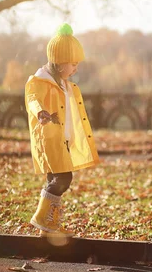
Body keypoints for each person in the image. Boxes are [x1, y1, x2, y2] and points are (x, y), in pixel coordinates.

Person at [25, 23, 99, 237]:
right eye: (73, 64)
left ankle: (47, 227)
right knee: (63, 179)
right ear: (58, 63)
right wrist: (40, 112)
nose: (75, 68)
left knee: (54, 179)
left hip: (62, 140)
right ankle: (42, 219)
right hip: (48, 139)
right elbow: (32, 99)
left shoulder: (67, 85)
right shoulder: (39, 82)